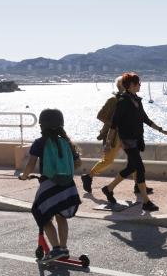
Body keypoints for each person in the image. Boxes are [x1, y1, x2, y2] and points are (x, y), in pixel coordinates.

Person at [101, 72, 167, 212]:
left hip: (137, 139)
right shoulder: (123, 101)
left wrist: (162, 130)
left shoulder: (137, 100)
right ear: (132, 85)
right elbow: (114, 124)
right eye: (138, 83)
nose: (140, 85)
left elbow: (145, 119)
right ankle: (146, 201)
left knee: (131, 168)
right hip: (127, 140)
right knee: (140, 168)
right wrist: (108, 143)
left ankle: (108, 189)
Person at [19, 108, 82, 262]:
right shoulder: (67, 141)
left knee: (41, 214)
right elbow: (78, 164)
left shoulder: (40, 143)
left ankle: (55, 250)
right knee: (61, 215)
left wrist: (24, 176)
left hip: (49, 185)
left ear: (41, 125)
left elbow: (31, 164)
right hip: (68, 185)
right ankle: (64, 248)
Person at [81, 76, 152, 195]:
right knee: (108, 161)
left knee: (134, 160)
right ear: (122, 86)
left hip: (128, 135)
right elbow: (100, 116)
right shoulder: (113, 100)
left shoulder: (130, 99)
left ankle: (138, 185)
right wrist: (116, 124)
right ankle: (88, 176)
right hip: (114, 136)